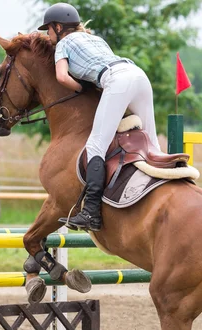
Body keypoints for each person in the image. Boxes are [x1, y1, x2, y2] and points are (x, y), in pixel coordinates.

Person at [38, 2, 161, 231]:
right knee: (152, 142)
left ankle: (91, 212)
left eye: (48, 29)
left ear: (58, 26)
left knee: (95, 145)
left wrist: (80, 90)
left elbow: (62, 78)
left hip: (116, 79)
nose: (47, 34)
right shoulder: (96, 39)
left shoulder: (63, 44)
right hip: (138, 76)